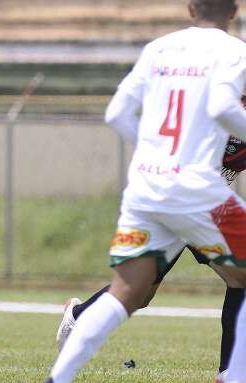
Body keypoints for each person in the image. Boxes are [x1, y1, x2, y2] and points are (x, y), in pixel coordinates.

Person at [46, 1, 246, 382]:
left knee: (130, 290)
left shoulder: (158, 48)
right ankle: (233, 375)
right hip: (199, 190)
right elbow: (222, 105)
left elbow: (115, 113)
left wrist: (158, 157)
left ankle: (58, 378)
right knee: (239, 277)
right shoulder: (234, 52)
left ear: (190, 8)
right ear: (235, 10)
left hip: (148, 185)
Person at [56, 136, 246, 375]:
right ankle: (231, 372)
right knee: (240, 276)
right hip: (183, 201)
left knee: (140, 294)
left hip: (192, 205)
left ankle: (77, 317)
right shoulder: (222, 115)